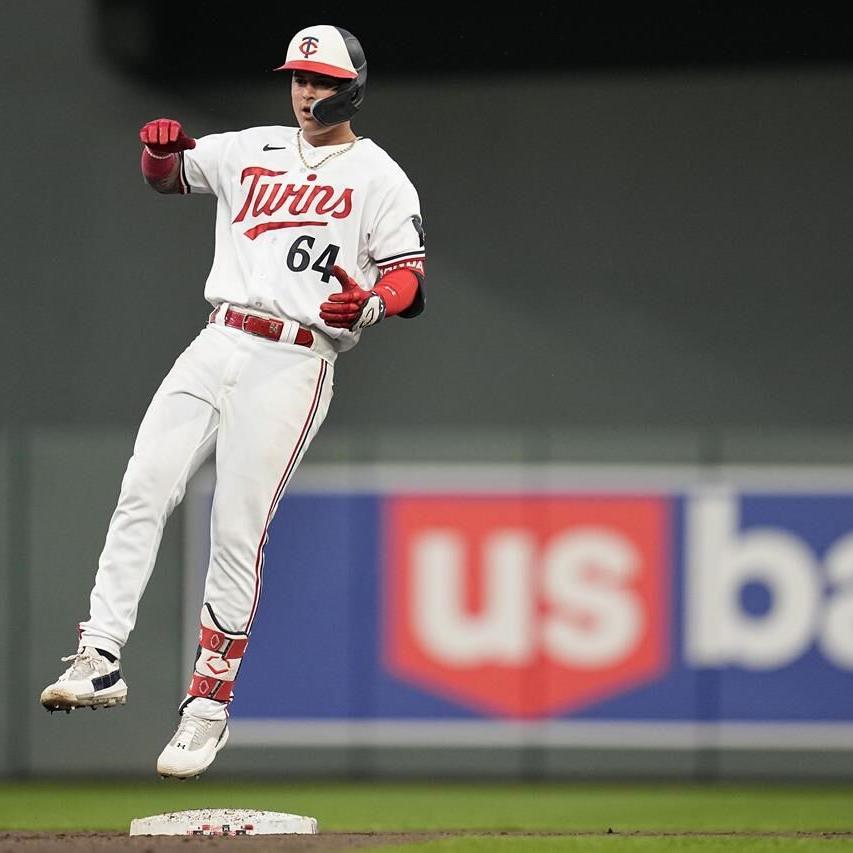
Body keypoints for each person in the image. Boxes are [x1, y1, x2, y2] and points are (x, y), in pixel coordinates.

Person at [39, 24, 425, 779]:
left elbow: (409, 275)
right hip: (218, 335)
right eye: (297, 78)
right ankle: (100, 655)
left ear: (350, 86)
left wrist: (372, 304)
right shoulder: (249, 147)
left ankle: (207, 707)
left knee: (234, 530)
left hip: (296, 355)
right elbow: (169, 175)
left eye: (318, 80)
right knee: (142, 486)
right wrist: (156, 149)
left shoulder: (379, 174)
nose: (305, 91)